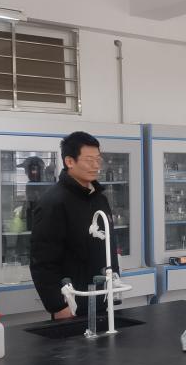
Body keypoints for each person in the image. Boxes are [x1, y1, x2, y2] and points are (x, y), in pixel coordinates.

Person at [29, 132, 119, 320]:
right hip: (72, 305)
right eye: (89, 160)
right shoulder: (53, 203)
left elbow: (108, 247)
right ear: (70, 161)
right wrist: (58, 306)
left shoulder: (100, 199)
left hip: (102, 298)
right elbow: (42, 262)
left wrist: (113, 289)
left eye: (98, 160)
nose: (96, 165)